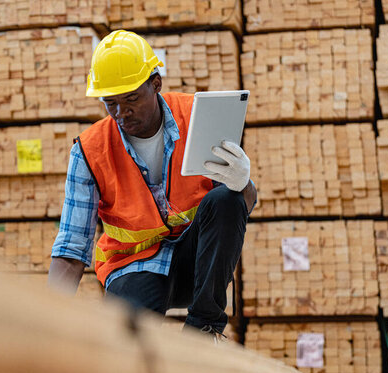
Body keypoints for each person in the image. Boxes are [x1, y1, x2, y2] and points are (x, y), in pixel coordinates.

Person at [48, 30, 257, 337]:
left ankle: (204, 329)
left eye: (131, 98)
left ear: (155, 84)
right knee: (128, 346)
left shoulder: (196, 117)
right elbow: (71, 247)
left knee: (226, 199)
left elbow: (241, 206)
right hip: (131, 267)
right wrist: (49, 320)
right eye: (111, 102)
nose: (121, 113)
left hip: (194, 264)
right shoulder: (89, 151)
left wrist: (242, 183)